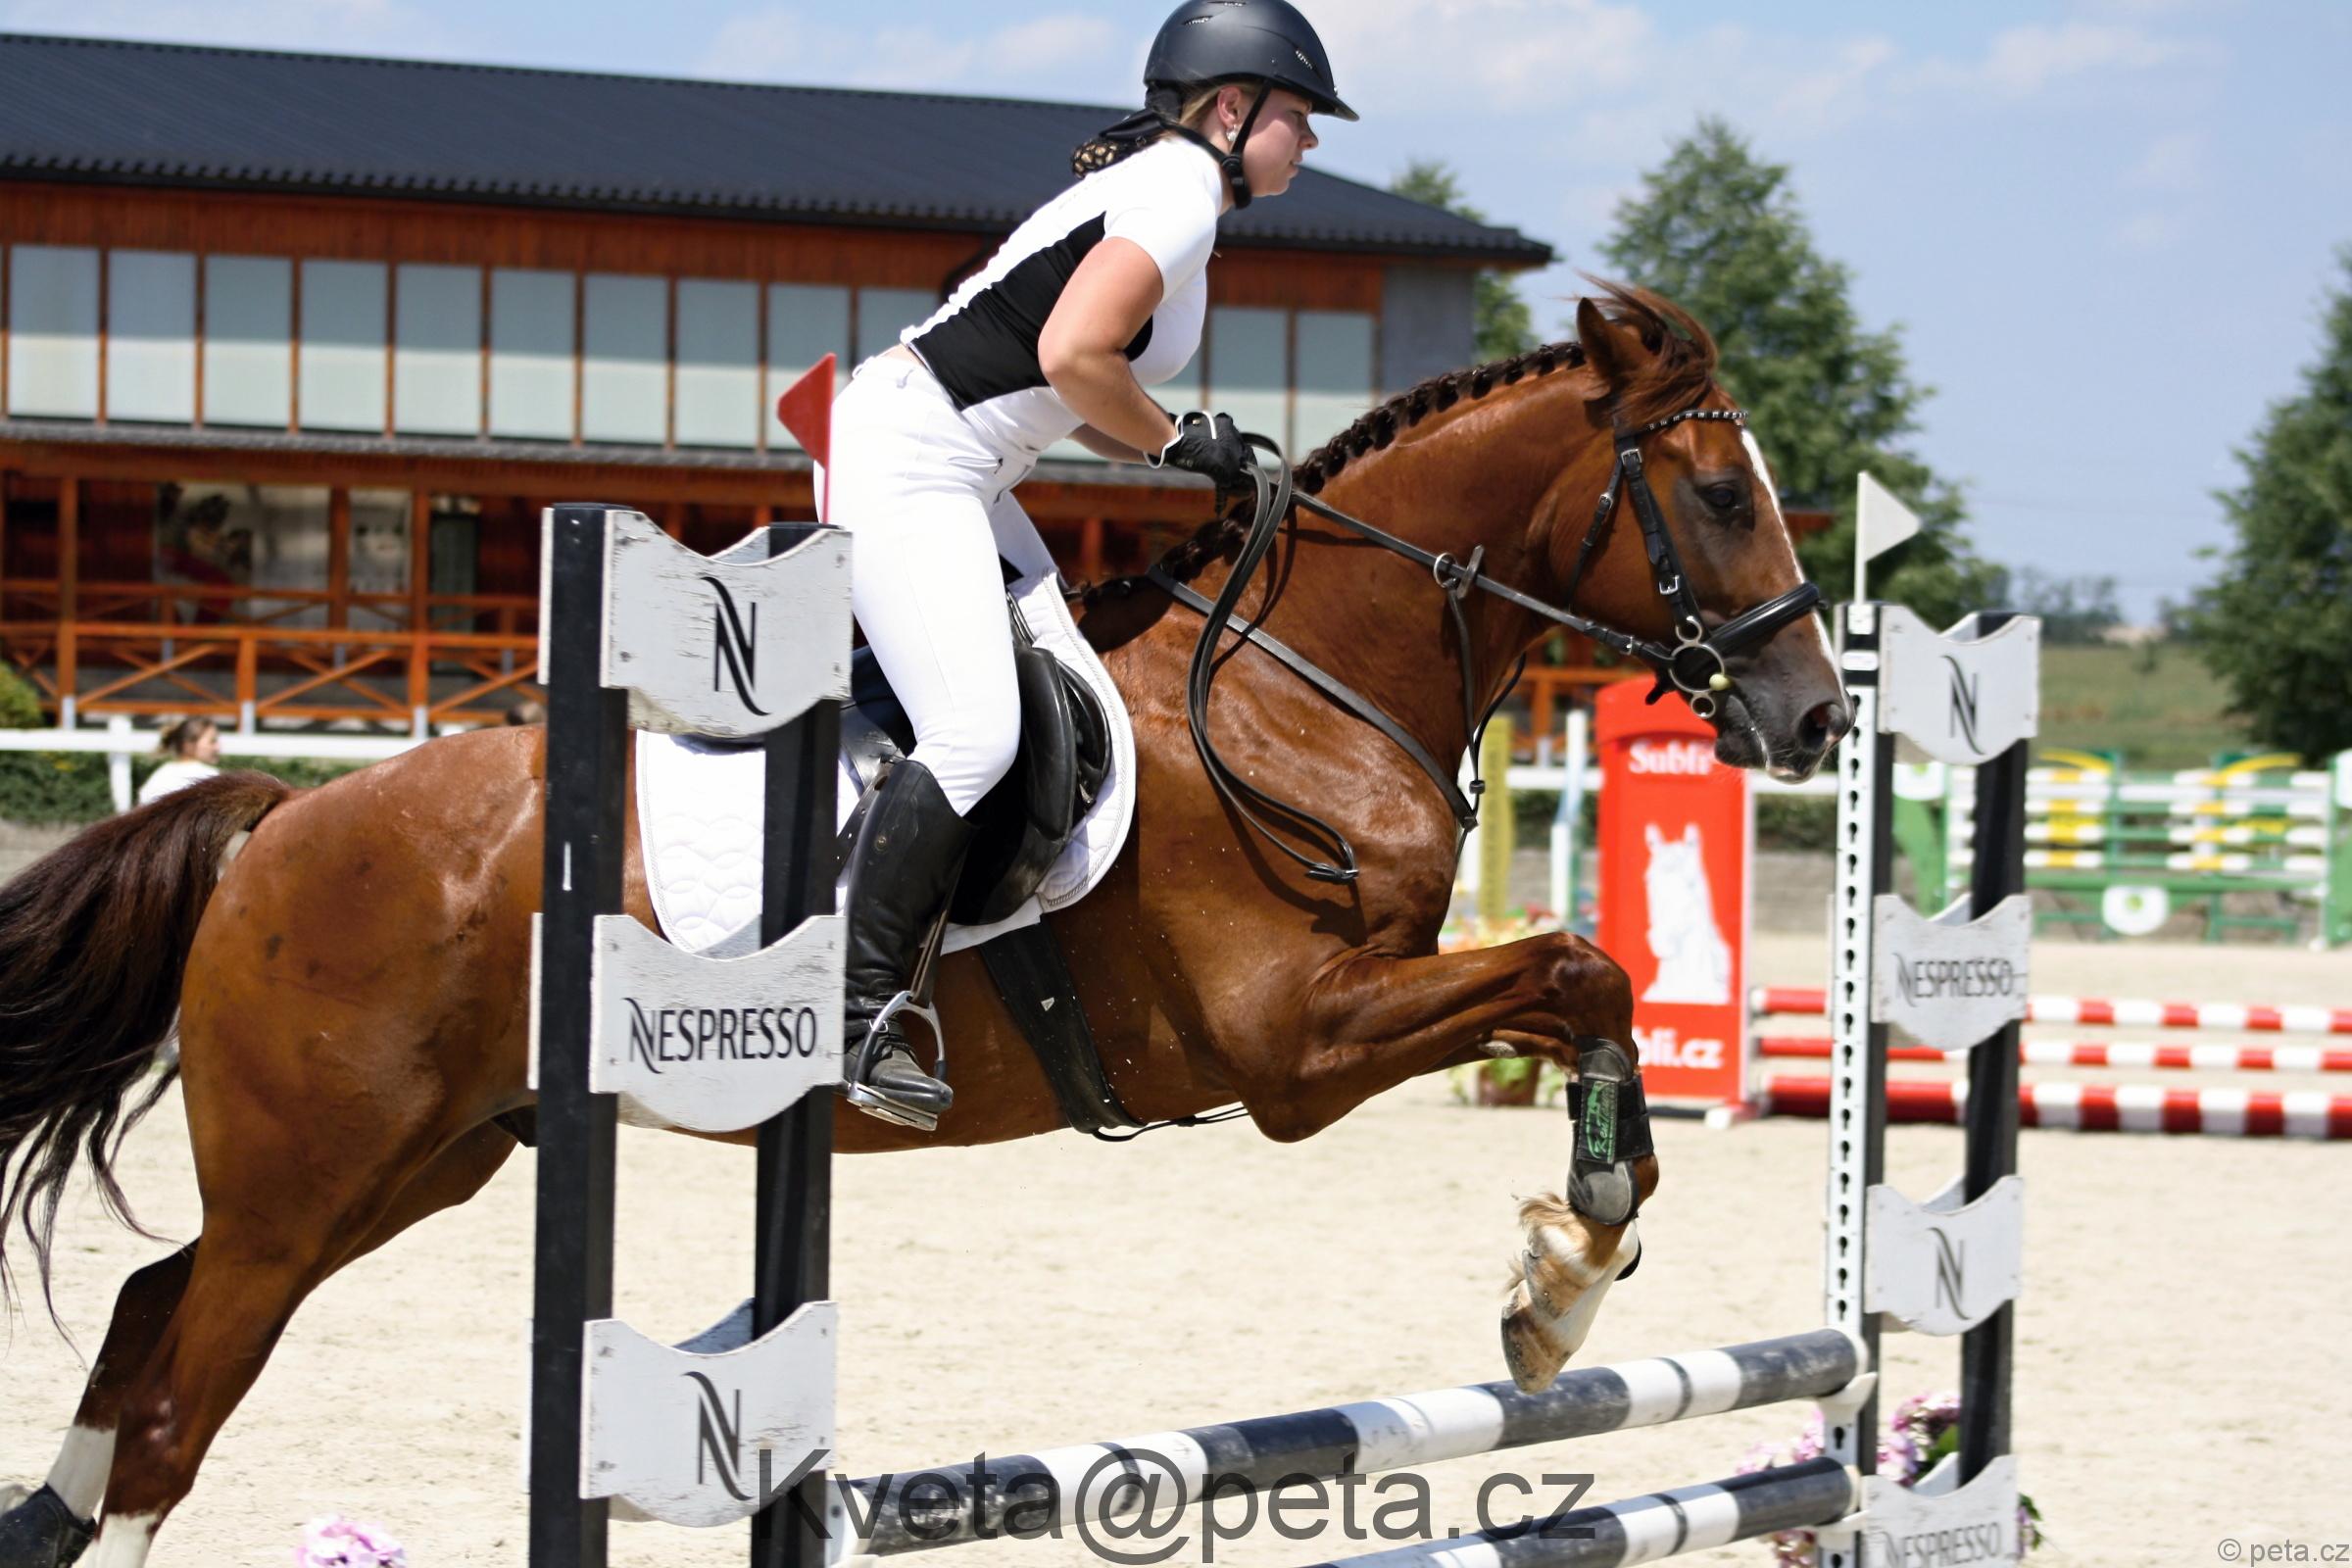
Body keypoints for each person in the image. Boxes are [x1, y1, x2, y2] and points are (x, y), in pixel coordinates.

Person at [825, 0, 1354, 1131]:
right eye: (1299, 114)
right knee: (977, 731)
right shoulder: (1175, 194)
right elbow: (1075, 354)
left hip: (962, 469)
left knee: (1062, 676)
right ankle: (858, 1006)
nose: (1310, 137)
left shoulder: (1179, 192)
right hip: (912, 458)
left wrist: (1189, 446)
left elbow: (1078, 387)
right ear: (1231, 107)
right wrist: (1171, 442)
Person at [138, 716, 221, 806]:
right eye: (212, 741)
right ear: (188, 744)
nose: (218, 747)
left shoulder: (162, 773)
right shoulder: (210, 775)